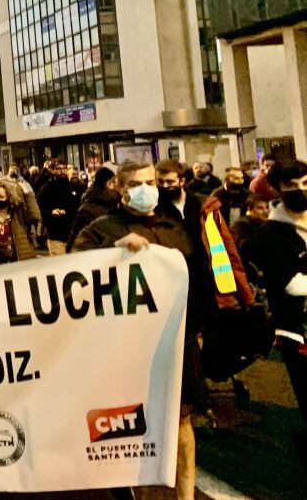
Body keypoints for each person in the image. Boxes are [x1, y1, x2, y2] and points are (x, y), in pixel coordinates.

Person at [72, 161, 213, 500]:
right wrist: (113, 252)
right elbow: (72, 279)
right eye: (137, 183)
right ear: (120, 188)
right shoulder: (100, 229)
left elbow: (197, 275)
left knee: (181, 420)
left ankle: (186, 495)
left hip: (176, 338)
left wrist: (200, 326)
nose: (147, 188)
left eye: (151, 181)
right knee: (129, 424)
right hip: (124, 345)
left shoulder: (174, 225)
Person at [248, 160, 307, 455]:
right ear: (277, 190)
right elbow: (291, 284)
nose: (300, 190)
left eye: (306, 184)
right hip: (297, 330)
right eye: (291, 186)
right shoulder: (269, 234)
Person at [67, 165, 121, 251]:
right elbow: (73, 245)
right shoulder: (89, 210)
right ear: (109, 184)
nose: (121, 187)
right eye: (120, 183)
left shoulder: (114, 205)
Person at [37, 159, 80, 256]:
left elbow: (79, 207)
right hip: (55, 235)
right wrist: (51, 213)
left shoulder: (74, 188)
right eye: (58, 169)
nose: (62, 171)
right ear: (52, 170)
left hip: (73, 234)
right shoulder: (45, 190)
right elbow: (39, 211)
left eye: (64, 168)